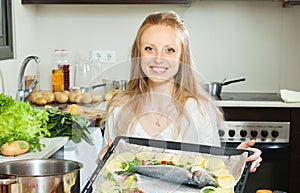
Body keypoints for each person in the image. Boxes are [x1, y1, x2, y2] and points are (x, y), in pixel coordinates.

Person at [99, 11, 261, 172]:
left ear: (182, 57)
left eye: (169, 50)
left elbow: (211, 170)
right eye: (149, 48)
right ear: (138, 54)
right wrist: (104, 164)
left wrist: (238, 159)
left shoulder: (199, 111)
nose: (158, 58)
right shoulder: (119, 108)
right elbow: (108, 173)